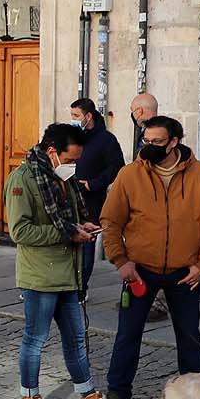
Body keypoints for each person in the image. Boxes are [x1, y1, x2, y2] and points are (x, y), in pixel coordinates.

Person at [100, 115, 200, 399]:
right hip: (140, 270)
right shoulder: (130, 175)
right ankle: (118, 393)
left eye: (156, 142)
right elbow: (111, 220)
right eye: (146, 140)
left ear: (173, 142)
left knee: (189, 336)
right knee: (127, 334)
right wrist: (121, 261)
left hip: (185, 272)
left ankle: (196, 395)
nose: (149, 147)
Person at [4, 122, 122, 399]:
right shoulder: (23, 179)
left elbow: (70, 219)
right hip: (40, 277)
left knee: (76, 340)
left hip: (69, 274)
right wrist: (68, 232)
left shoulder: (61, 180)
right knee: (35, 341)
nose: (73, 166)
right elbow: (20, 230)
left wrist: (82, 226)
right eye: (70, 160)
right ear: (52, 152)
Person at [68, 98, 124, 298]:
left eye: (76, 116)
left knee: (86, 246)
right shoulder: (74, 137)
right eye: (72, 115)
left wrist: (93, 184)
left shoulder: (105, 139)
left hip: (91, 201)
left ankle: (80, 289)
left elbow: (117, 166)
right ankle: (68, 285)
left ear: (88, 116)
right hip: (69, 198)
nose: (73, 120)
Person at [128, 92, 159, 158]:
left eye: (133, 111)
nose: (132, 114)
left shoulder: (148, 132)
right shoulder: (166, 128)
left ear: (139, 111)